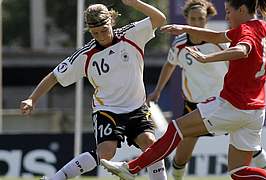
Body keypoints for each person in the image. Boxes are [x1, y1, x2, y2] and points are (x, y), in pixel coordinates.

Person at [100, 0, 266, 179]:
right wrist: (185, 29)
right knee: (238, 171)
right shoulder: (260, 26)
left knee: (176, 128)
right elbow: (218, 36)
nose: (227, 16)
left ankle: (131, 169)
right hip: (255, 110)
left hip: (233, 105)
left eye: (228, 11)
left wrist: (206, 58)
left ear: (242, 9)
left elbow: (242, 50)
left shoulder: (245, 31)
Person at [20, 1, 167, 180]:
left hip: (137, 107)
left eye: (104, 30)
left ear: (111, 21)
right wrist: (32, 99)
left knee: (150, 144)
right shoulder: (85, 55)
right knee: (106, 153)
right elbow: (54, 76)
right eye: (95, 33)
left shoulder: (132, 35)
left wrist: (135, 3)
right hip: (107, 110)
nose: (101, 36)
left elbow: (160, 19)